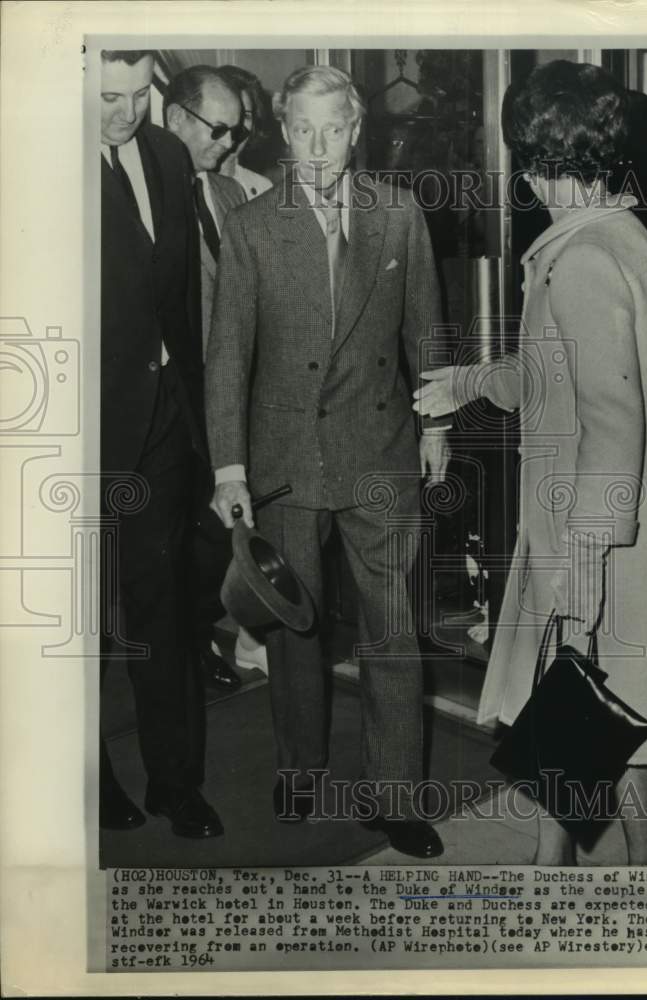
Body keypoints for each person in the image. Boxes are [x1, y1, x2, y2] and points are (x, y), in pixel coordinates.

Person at [414, 60, 647, 865]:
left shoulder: (584, 260)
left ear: (533, 155)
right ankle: (556, 861)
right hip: (623, 521)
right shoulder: (612, 234)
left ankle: (634, 877)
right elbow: (562, 374)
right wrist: (471, 381)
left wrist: (585, 558)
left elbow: (612, 417)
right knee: (584, 701)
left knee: (615, 706)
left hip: (603, 530)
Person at [205, 65, 450, 859]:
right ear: (283, 132)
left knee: (394, 631)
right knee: (293, 633)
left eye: (332, 129)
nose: (317, 146)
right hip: (285, 459)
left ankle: (397, 793)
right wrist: (229, 470)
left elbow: (427, 335)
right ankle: (302, 769)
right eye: (300, 129)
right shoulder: (250, 226)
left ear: (355, 132)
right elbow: (226, 361)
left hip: (380, 451)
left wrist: (437, 425)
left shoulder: (399, 214)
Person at [100, 50, 222, 837]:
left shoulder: (170, 154)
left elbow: (179, 293)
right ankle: (89, 777)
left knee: (164, 609)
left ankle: (175, 782)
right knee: (72, 620)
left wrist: (198, 412)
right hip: (78, 425)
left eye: (138, 93)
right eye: (107, 96)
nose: (124, 111)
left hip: (166, 420)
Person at [165, 66, 268, 687]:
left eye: (236, 131)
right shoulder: (141, 200)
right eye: (219, 129)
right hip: (173, 396)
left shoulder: (231, 197)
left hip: (228, 390)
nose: (229, 142)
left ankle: (202, 629)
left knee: (219, 527)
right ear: (177, 117)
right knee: (180, 532)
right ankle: (185, 644)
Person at [218, 65, 275, 200]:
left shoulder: (263, 188)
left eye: (246, 116)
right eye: (228, 114)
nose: (236, 126)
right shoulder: (190, 182)